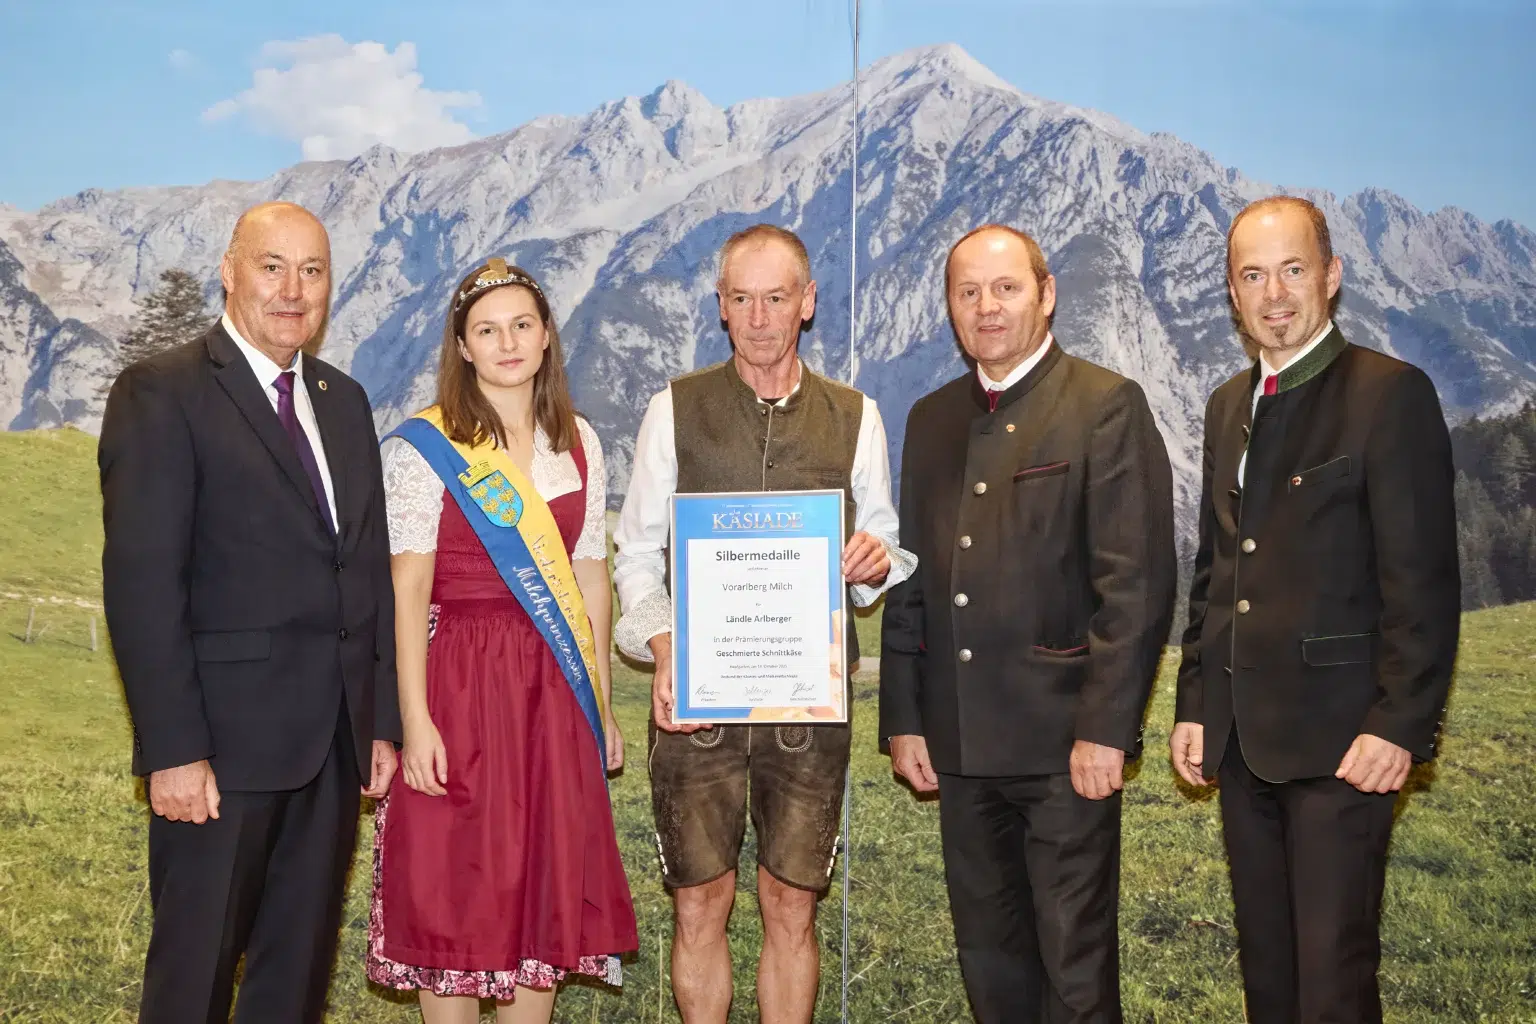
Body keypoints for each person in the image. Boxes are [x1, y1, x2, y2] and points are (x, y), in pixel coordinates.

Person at [98, 201, 401, 1023]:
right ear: (230, 271)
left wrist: (378, 722)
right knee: (194, 983)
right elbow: (142, 583)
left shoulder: (346, 402)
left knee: (293, 984)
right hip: (219, 758)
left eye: (313, 271)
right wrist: (173, 749)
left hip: (331, 752)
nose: (293, 290)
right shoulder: (163, 391)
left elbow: (363, 568)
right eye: (273, 266)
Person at [611, 224, 913, 1023]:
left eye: (776, 297)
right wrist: (666, 647)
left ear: (806, 303)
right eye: (740, 298)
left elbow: (884, 542)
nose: (759, 316)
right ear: (720, 306)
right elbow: (635, 555)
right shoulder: (673, 408)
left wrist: (872, 561)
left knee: (790, 905)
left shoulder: (857, 415)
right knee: (700, 904)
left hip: (806, 707)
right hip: (698, 703)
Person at [1171, 196, 1460, 1023]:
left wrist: (1400, 726)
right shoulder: (1228, 405)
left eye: (1293, 270)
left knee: (1331, 984)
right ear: (1232, 293)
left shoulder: (1389, 395)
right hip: (1239, 745)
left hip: (1345, 745)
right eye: (1253, 276)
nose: (1274, 294)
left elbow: (1425, 583)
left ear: (1331, 276)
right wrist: (1197, 702)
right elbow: (1217, 568)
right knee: (1269, 978)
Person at [880, 224, 1176, 1024]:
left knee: (1074, 971)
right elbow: (910, 581)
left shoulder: (1106, 404)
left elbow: (1136, 585)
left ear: (1046, 294)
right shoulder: (933, 417)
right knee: (990, 964)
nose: (987, 307)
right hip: (960, 744)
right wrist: (906, 719)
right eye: (967, 292)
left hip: (1064, 748)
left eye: (1005, 288)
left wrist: (1108, 730)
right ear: (949, 308)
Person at [365, 258, 638, 1024]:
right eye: (487, 330)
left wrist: (603, 710)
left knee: (543, 883)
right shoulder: (424, 446)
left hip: (554, 689)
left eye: (522, 325)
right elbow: (408, 588)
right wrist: (412, 721)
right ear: (463, 346)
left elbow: (589, 581)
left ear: (547, 337)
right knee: (455, 888)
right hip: (459, 682)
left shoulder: (578, 441)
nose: (507, 342)